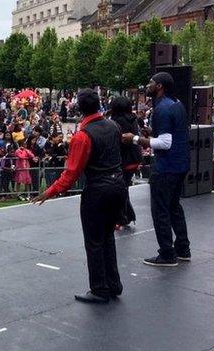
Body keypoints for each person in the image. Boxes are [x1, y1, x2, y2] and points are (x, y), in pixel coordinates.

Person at [32, 89, 127, 304]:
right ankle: (114, 284)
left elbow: (72, 173)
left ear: (78, 108)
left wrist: (50, 191)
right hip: (117, 185)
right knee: (107, 237)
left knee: (94, 241)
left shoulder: (82, 136)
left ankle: (100, 289)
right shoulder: (113, 126)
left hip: (98, 190)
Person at [122, 72, 190, 267]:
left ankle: (167, 254)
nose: (148, 85)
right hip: (181, 164)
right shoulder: (176, 104)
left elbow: (165, 143)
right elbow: (173, 134)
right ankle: (183, 248)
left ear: (159, 86)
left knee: (160, 210)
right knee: (174, 206)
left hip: (166, 167)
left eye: (151, 82)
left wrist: (134, 139)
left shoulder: (161, 109)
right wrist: (152, 133)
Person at [110, 96, 142, 228]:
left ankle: (123, 217)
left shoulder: (118, 121)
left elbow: (119, 141)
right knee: (124, 188)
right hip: (133, 158)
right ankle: (126, 215)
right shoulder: (133, 119)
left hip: (124, 159)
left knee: (119, 189)